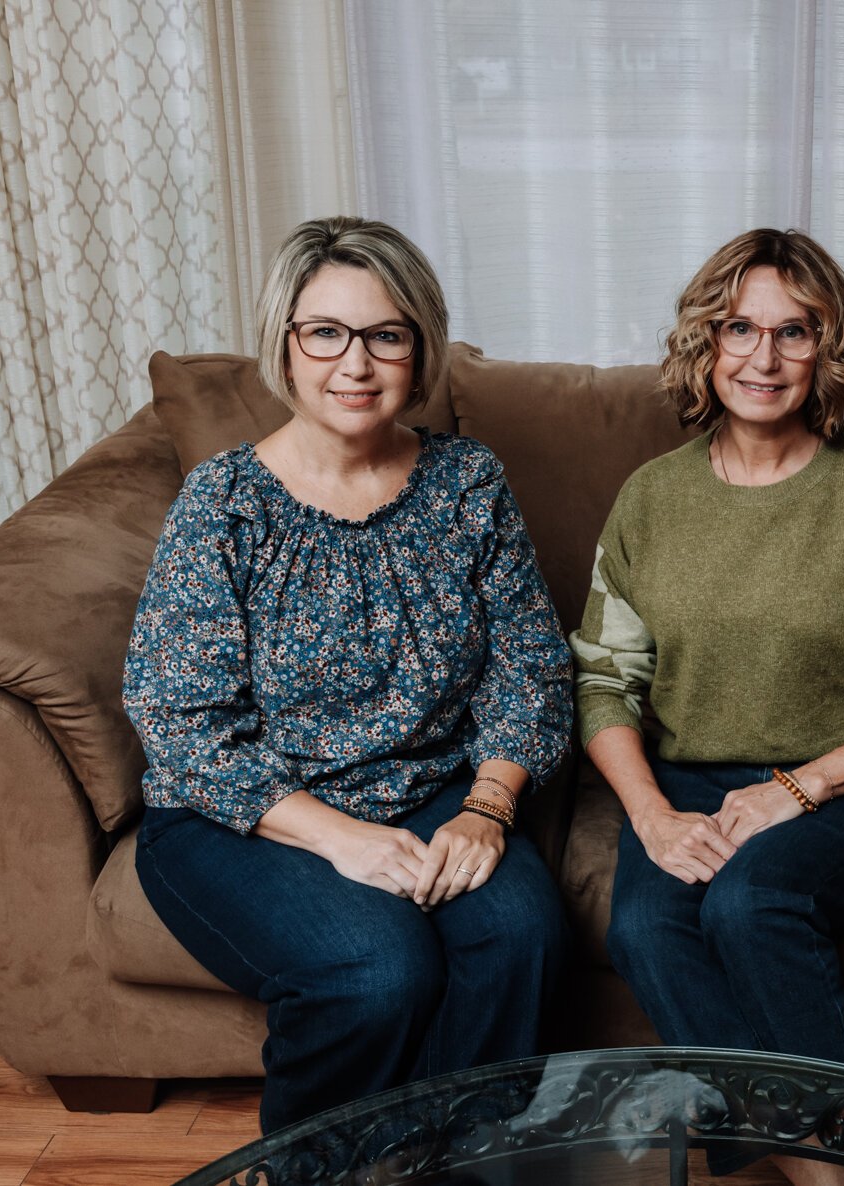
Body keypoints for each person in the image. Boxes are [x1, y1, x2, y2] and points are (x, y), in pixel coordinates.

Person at [125, 216, 571, 1134]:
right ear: (285, 345)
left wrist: (488, 807)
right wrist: (339, 838)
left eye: (386, 336)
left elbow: (530, 665)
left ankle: (451, 1161)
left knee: (520, 935)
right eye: (325, 332)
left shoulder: (468, 483)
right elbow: (180, 721)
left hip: (430, 789)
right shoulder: (224, 501)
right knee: (377, 971)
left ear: (420, 351)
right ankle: (309, 1167)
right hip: (241, 814)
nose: (355, 365)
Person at [570, 227, 844, 1183]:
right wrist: (651, 815)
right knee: (643, 924)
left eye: (794, 332)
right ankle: (824, 1157)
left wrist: (794, 792)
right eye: (738, 329)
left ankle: (829, 1169)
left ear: (828, 348)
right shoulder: (651, 498)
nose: (763, 358)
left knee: (752, 902)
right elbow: (601, 677)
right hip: (687, 774)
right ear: (704, 344)